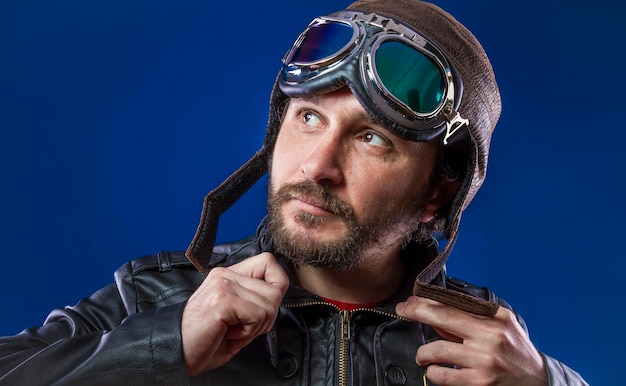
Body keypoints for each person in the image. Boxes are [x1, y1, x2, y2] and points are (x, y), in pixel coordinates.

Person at [0, 0, 588, 385]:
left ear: (438, 192)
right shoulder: (160, 297)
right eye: (309, 118)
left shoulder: (477, 349)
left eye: (372, 138)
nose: (317, 165)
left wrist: (545, 381)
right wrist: (164, 345)